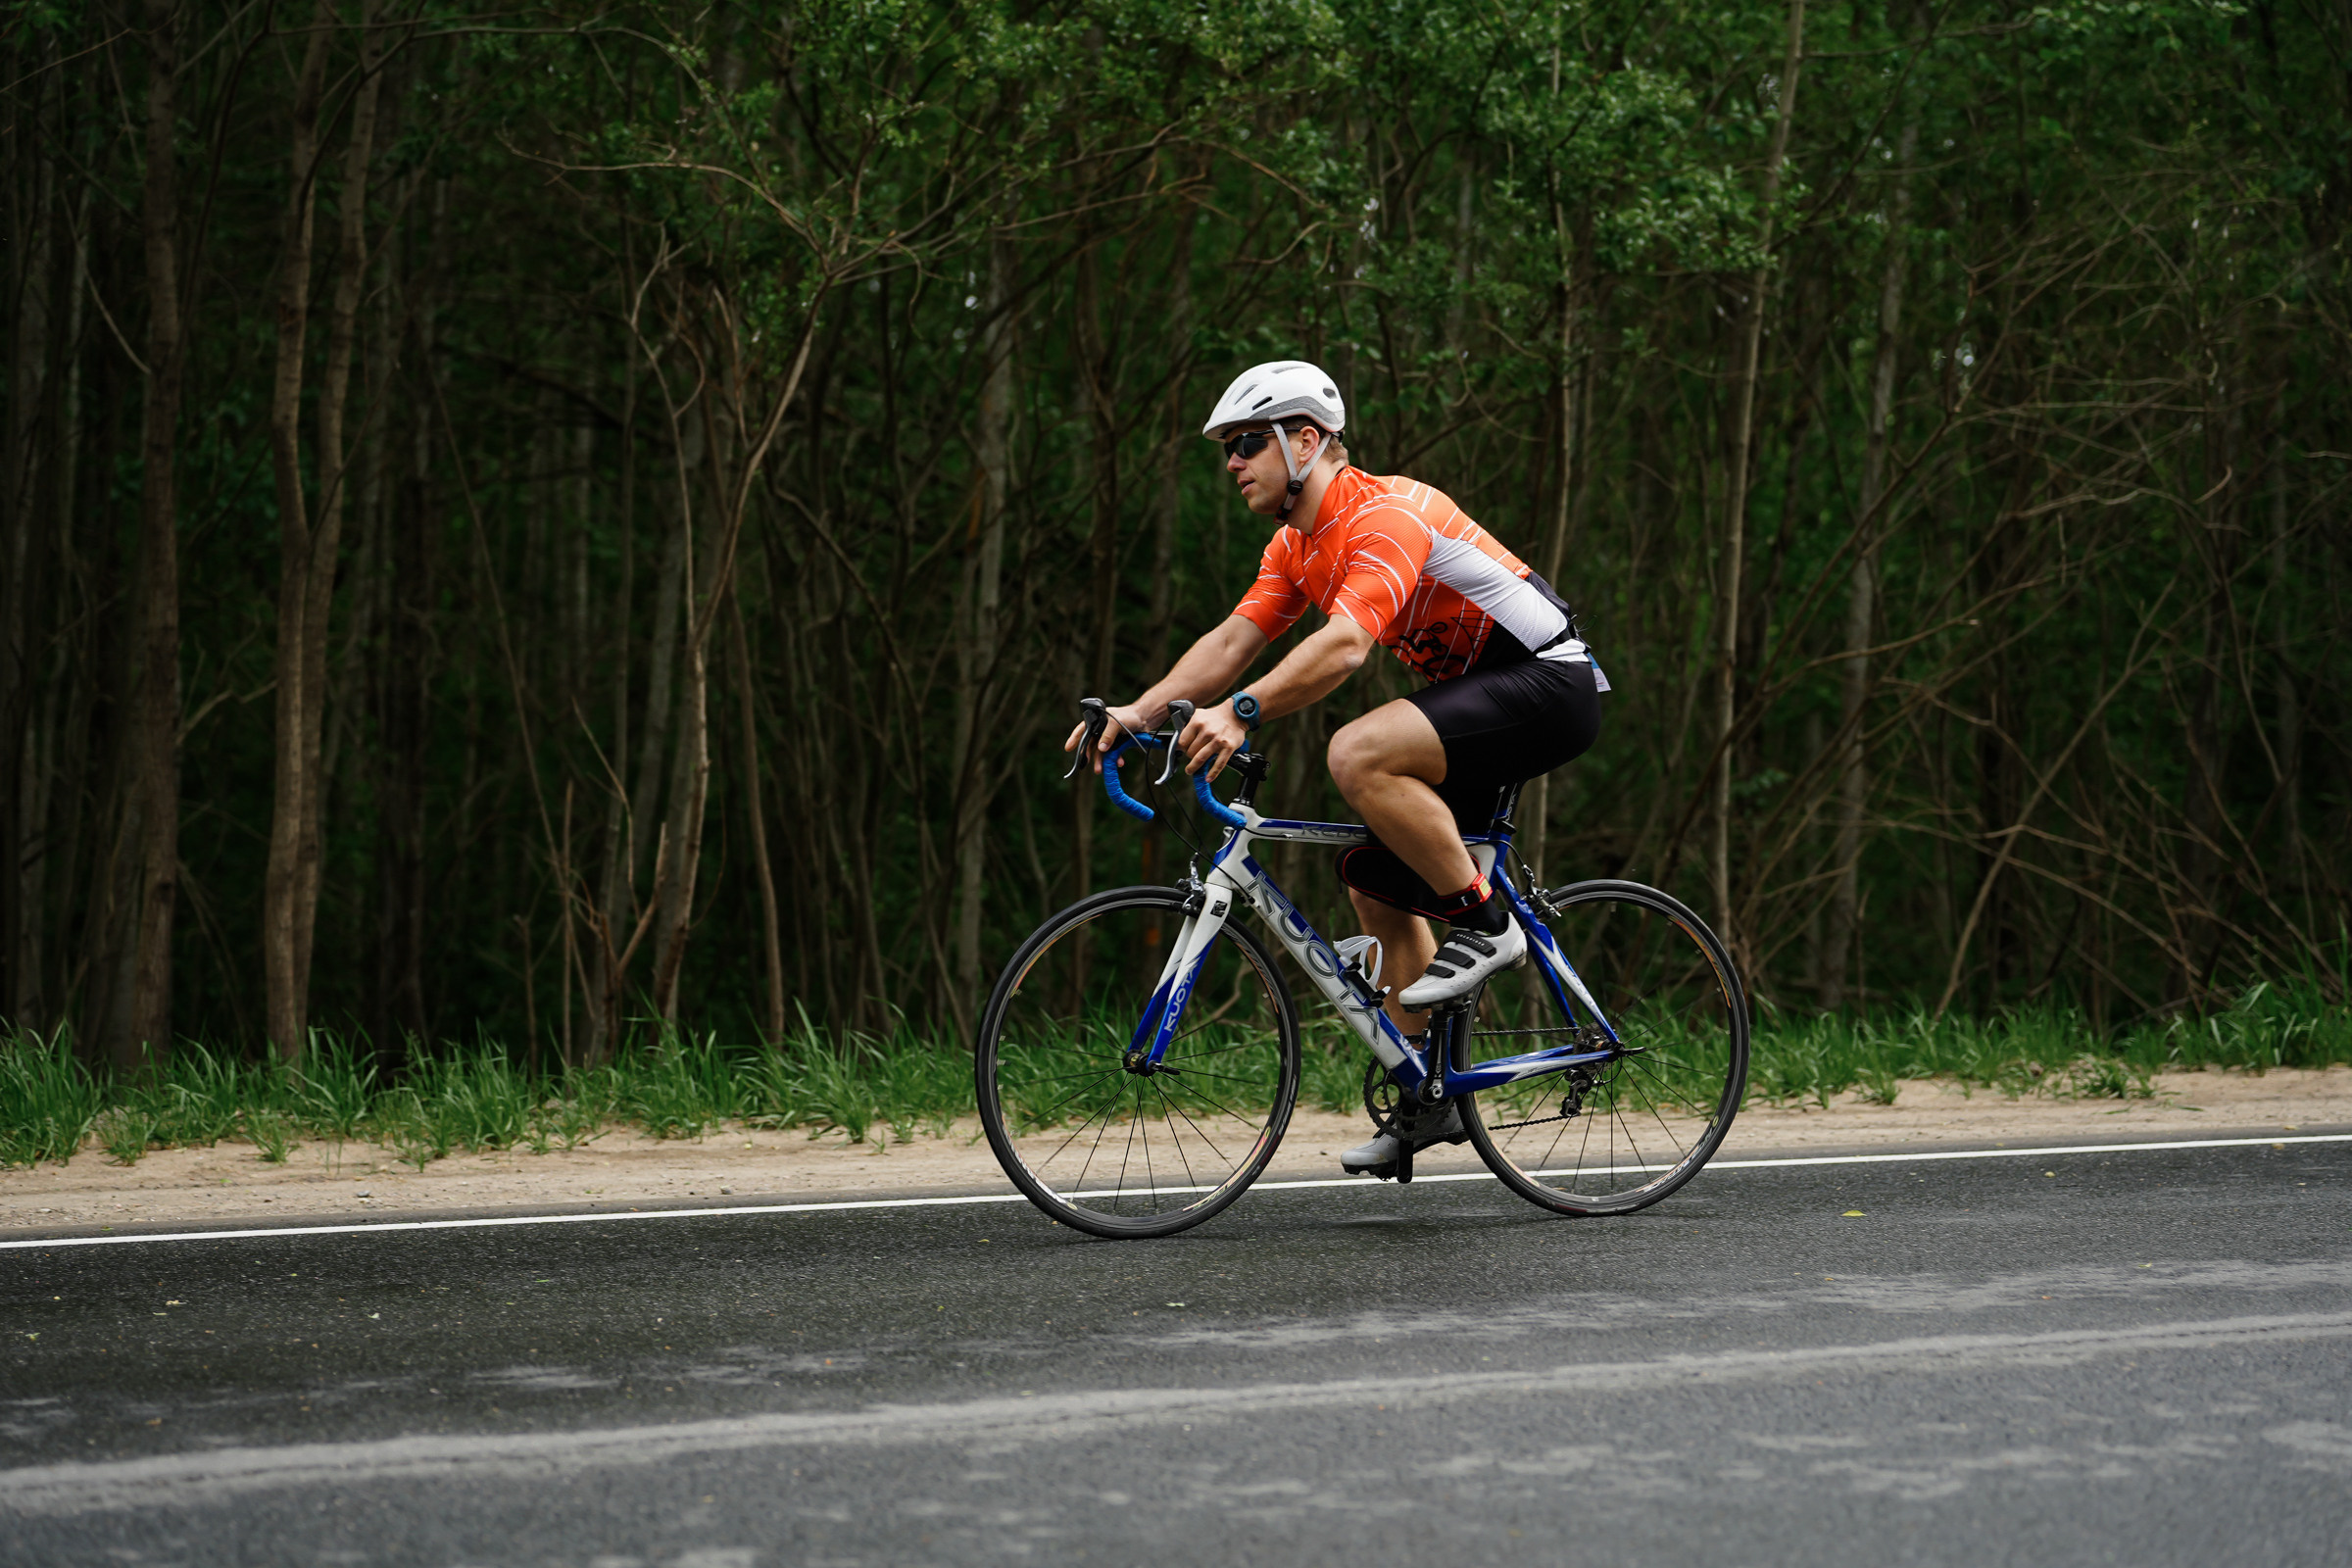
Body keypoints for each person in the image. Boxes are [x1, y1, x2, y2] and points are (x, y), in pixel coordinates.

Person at [1069, 360, 1607, 1177]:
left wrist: (1240, 711)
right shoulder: (1296, 545)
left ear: (1306, 441)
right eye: (1227, 449)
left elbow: (1348, 646)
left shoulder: (1383, 514)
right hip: (1484, 696)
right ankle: (1431, 1098)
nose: (1231, 462)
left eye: (1247, 444)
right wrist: (1137, 713)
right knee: (1373, 879)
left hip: (1550, 681)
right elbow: (1229, 643)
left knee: (1357, 751)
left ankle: (1490, 926)